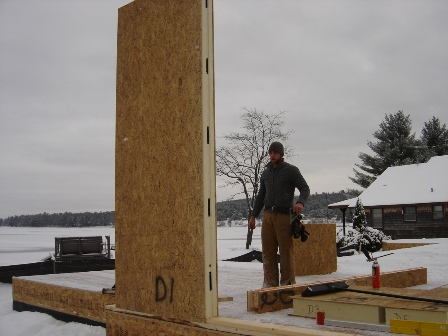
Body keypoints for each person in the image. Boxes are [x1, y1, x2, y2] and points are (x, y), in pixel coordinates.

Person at [248, 141, 310, 288]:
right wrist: (253, 216)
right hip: (268, 216)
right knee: (268, 251)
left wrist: (300, 203)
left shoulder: (291, 171)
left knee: (285, 251)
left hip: (284, 215)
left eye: (275, 152)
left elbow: (305, 188)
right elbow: (260, 196)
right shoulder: (266, 173)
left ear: (281, 154)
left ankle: (287, 284)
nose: (272, 155)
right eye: (270, 153)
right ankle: (270, 283)